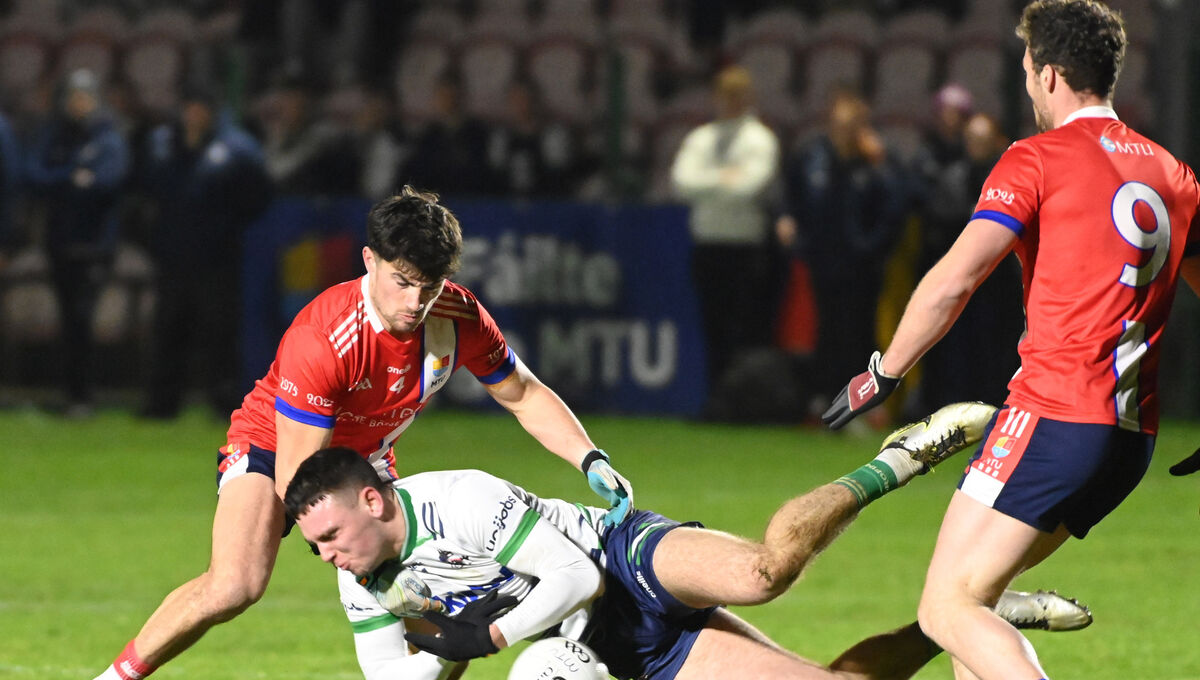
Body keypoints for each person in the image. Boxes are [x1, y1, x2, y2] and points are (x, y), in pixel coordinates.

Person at [91, 187, 634, 680]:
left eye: (429, 286)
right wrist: (374, 575)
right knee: (237, 585)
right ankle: (114, 678)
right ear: (370, 260)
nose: (414, 303)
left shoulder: (455, 314)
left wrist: (591, 460)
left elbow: (522, 392)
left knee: (439, 607)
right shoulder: (325, 339)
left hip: (364, 462)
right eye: (401, 282)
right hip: (274, 448)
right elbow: (300, 483)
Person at [820, 2, 1200, 677]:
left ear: (1050, 75)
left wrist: (883, 372)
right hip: (1128, 441)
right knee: (974, 608)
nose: (1029, 88)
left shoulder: (1037, 159)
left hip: (1054, 417)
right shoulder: (1174, 174)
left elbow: (954, 281)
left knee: (945, 610)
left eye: (1028, 73)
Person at [285, 402, 1091, 680]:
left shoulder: (456, 500)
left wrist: (484, 632)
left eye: (327, 535)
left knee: (766, 572)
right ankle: (958, 617)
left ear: (371, 497)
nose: (327, 556)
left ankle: (897, 457)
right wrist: (444, 652)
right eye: (314, 546)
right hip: (613, 651)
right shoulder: (364, 579)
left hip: (618, 561)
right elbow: (395, 673)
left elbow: (570, 577)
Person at [138, 87, 274, 419]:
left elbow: (259, 196)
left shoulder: (237, 148)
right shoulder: (163, 144)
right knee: (168, 330)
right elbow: (146, 189)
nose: (194, 115)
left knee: (219, 333)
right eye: (189, 107)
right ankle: (162, 404)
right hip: (172, 255)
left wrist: (227, 229)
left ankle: (225, 402)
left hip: (218, 259)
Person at [776, 87, 908, 417]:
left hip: (863, 265)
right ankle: (825, 399)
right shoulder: (812, 155)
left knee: (861, 332)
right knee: (827, 331)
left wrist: (873, 246)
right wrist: (788, 222)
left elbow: (896, 207)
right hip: (823, 259)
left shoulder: (877, 159)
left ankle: (865, 404)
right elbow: (790, 196)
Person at [670, 65, 784, 404]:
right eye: (724, 95)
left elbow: (750, 186)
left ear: (746, 97)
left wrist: (708, 181)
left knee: (746, 329)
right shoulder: (702, 137)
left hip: (745, 247)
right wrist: (725, 177)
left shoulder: (759, 138)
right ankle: (717, 400)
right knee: (712, 327)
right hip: (709, 245)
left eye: (736, 95)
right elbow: (681, 183)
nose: (729, 102)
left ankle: (745, 402)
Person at [25, 68, 130, 417]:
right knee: (68, 319)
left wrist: (66, 181)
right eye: (73, 96)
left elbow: (107, 183)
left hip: (95, 244)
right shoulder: (56, 135)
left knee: (84, 318)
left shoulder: (108, 138)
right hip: (60, 241)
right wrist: (73, 175)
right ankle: (70, 393)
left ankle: (84, 395)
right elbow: (34, 176)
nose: (78, 103)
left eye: (84, 96)